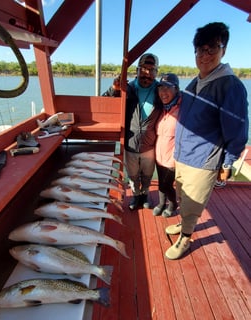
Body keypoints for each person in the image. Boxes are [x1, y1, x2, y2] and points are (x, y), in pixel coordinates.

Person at [164, 22, 249, 260]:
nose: (205, 55)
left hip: (203, 160)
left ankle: (186, 238)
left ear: (224, 50)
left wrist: (228, 163)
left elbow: (238, 130)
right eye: (200, 50)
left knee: (193, 202)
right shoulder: (196, 81)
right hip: (183, 155)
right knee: (182, 195)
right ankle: (184, 225)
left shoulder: (230, 86)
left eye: (212, 48)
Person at [103, 53, 160, 210]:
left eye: (151, 69)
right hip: (130, 143)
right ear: (137, 70)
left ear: (156, 72)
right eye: (143, 69)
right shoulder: (127, 89)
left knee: (148, 174)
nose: (147, 73)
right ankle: (136, 196)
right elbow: (104, 104)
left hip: (151, 144)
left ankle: (145, 194)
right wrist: (114, 89)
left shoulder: (161, 91)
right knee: (133, 174)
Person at [153, 73, 180, 217]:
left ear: (176, 89)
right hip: (159, 155)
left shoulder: (183, 108)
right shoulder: (162, 108)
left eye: (168, 88)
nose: (163, 92)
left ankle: (173, 204)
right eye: (160, 88)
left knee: (167, 184)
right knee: (160, 182)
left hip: (172, 158)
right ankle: (161, 203)